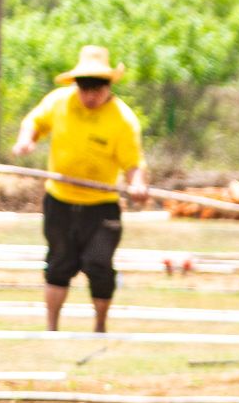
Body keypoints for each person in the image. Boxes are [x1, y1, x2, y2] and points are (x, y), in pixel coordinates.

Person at [12, 45, 148, 333]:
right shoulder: (59, 102)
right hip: (60, 201)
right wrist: (27, 140)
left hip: (101, 206)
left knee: (98, 264)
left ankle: (99, 326)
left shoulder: (122, 119)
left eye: (96, 88)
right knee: (59, 263)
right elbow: (34, 122)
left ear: (108, 86)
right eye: (84, 87)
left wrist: (137, 184)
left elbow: (133, 163)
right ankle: (52, 329)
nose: (89, 95)